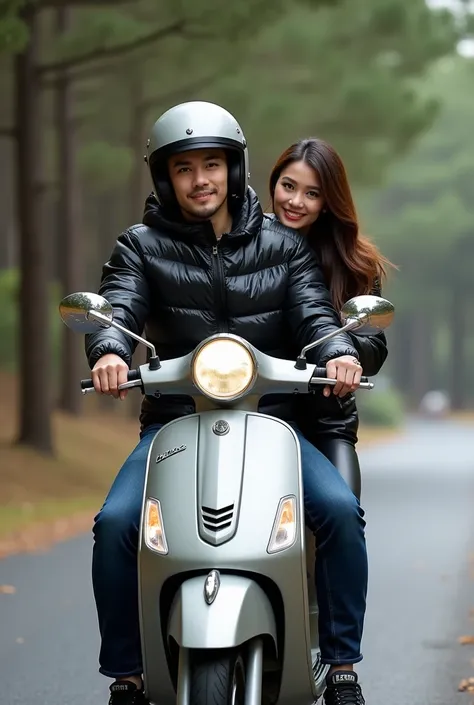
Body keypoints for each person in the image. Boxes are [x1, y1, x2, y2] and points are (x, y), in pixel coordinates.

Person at [86, 101, 368, 705]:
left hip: (273, 426)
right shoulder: (139, 246)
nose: (200, 181)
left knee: (340, 512)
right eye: (184, 169)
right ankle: (128, 675)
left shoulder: (284, 247)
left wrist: (341, 350)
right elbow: (117, 306)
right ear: (165, 178)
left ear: (234, 169)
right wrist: (109, 349)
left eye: (212, 164)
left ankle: (342, 667)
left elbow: (316, 315)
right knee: (114, 525)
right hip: (174, 426)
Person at [269, 137, 394, 499]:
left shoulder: (354, 263)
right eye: (288, 186)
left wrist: (343, 353)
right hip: (253, 409)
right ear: (274, 183)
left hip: (325, 418)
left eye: (312, 193)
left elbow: (373, 344)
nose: (295, 201)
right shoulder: (243, 245)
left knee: (343, 512)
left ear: (328, 202)